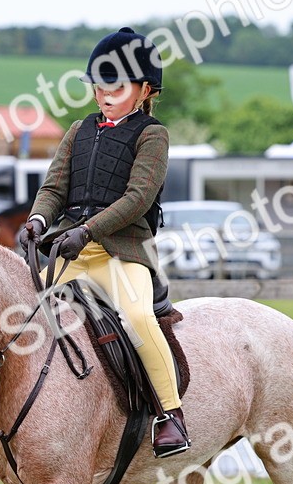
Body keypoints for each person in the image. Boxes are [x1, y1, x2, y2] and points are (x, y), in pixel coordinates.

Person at [16, 27, 189, 458]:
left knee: (137, 318)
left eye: (117, 87)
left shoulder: (153, 134)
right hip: (70, 251)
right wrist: (38, 219)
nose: (105, 94)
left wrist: (88, 231)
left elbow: (137, 198)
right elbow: (54, 187)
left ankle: (170, 415)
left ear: (144, 89)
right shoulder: (79, 130)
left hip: (122, 252)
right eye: (99, 85)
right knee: (24, 316)